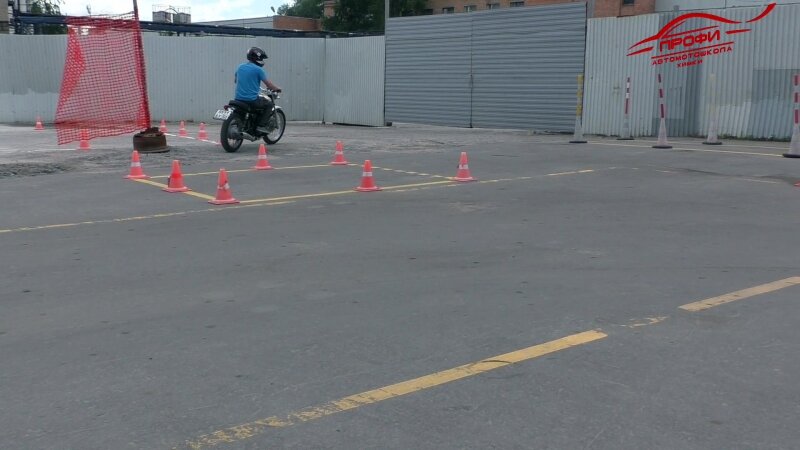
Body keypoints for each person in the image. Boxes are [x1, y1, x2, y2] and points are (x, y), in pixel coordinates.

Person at [234, 47, 282, 134]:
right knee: (269, 104)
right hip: (251, 100)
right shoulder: (258, 70)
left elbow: (235, 80)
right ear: (258, 58)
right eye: (262, 58)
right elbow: (268, 84)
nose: (262, 60)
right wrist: (276, 88)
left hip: (238, 99)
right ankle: (260, 125)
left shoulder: (240, 67)